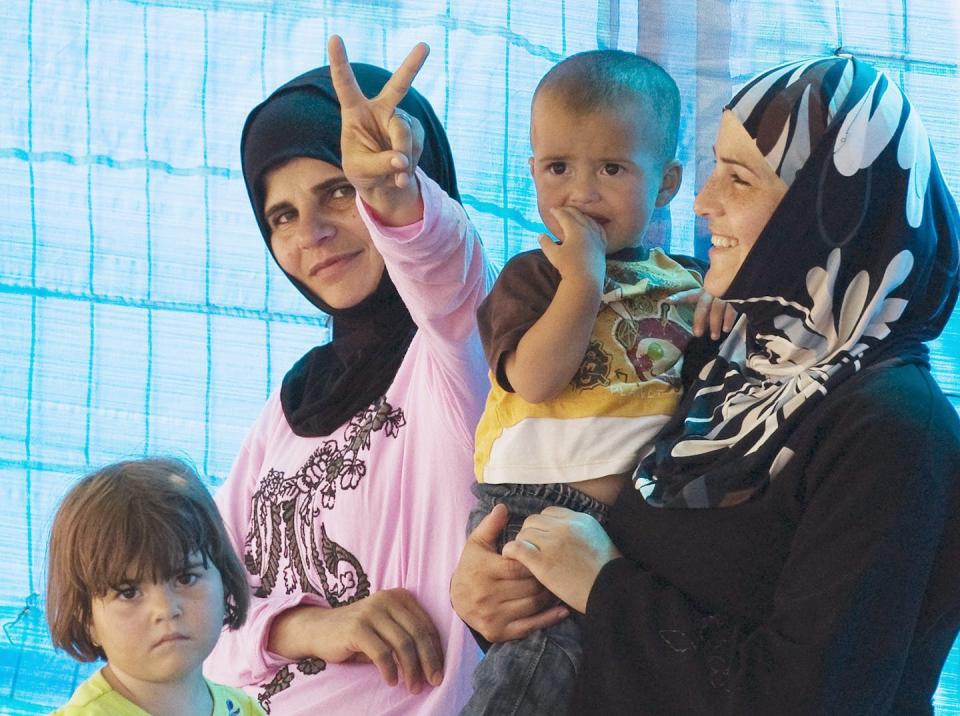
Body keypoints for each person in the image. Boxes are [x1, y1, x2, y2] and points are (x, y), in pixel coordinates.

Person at [452, 54, 960, 715]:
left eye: (739, 178)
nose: (702, 200)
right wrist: (490, 594)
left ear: (827, 209)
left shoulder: (894, 429)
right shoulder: (726, 364)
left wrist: (604, 587)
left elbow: (812, 697)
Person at [203, 36, 493, 715]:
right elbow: (194, 605)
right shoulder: (296, 397)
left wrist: (391, 191)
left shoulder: (458, 349)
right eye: (281, 215)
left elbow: (443, 271)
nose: (312, 233)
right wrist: (305, 625)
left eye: (337, 192)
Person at [464, 49, 727, 715]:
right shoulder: (535, 276)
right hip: (536, 505)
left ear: (666, 183)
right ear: (533, 174)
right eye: (559, 168)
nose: (581, 192)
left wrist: (730, 308)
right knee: (536, 666)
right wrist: (583, 281)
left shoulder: (689, 282)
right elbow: (536, 378)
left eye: (611, 168)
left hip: (640, 521)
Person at [46, 457, 263, 715]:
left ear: (225, 580)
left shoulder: (244, 709)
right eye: (129, 592)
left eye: (185, 578)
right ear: (86, 620)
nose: (165, 609)